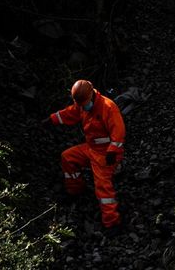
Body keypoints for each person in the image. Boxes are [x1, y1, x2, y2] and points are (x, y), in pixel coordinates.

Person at [40, 79, 126, 232]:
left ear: (92, 95)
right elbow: (70, 113)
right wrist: (52, 119)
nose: (83, 107)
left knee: (103, 187)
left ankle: (112, 222)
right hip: (91, 149)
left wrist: (112, 151)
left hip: (106, 154)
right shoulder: (82, 106)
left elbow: (118, 132)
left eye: (84, 103)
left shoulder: (108, 107)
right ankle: (75, 190)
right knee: (67, 157)